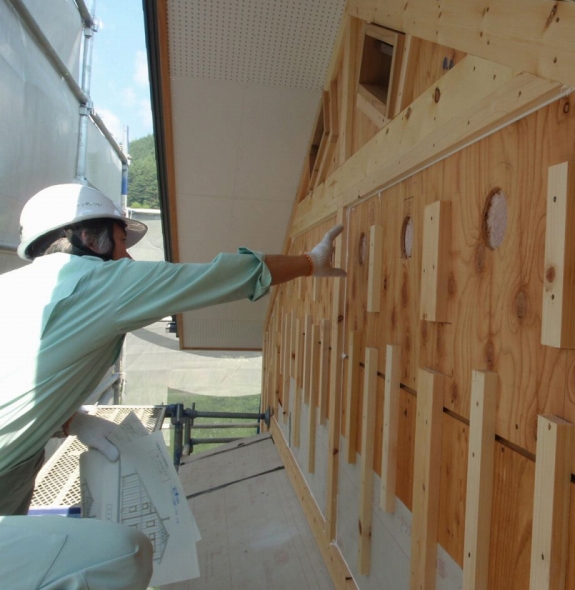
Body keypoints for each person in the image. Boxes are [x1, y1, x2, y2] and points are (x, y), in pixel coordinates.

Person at [0, 182, 345, 589]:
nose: (126, 253)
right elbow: (216, 278)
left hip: (12, 476)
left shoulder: (12, 288)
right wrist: (309, 262)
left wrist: (69, 420)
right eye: (120, 238)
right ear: (88, 237)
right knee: (121, 556)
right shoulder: (101, 281)